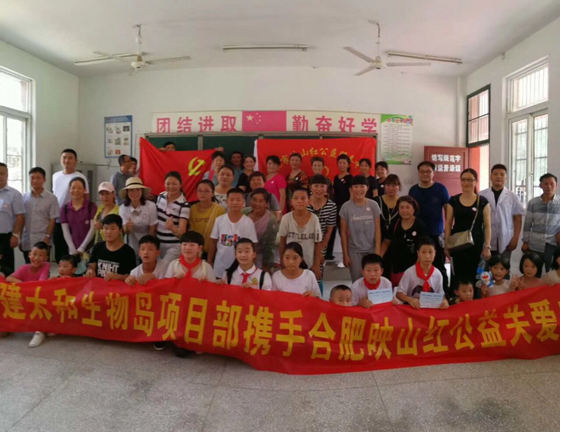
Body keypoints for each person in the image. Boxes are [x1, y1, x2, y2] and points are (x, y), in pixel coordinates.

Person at [445, 168, 491, 296]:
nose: (466, 183)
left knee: (475, 275)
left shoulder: (483, 201)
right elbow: (448, 224)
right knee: (457, 275)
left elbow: (488, 226)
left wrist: (487, 246)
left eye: (470, 180)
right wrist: (447, 244)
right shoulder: (453, 200)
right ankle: (457, 301)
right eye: (464, 180)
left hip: (476, 245)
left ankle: (474, 301)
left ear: (476, 182)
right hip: (457, 245)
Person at [408, 161, 451, 292]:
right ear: (418, 173)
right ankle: (419, 293)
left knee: (439, 265)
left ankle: (444, 294)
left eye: (428, 171)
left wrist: (447, 232)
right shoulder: (413, 190)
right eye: (422, 171)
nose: (425, 174)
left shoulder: (441, 189)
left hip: (436, 233)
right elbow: (409, 211)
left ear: (433, 173)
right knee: (417, 266)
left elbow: (448, 211)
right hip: (417, 234)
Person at [7, 242, 50, 347]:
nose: (37, 258)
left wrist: (25, 286)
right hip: (24, 299)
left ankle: (39, 332)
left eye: (41, 255)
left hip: (38, 300)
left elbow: (41, 283)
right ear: (29, 254)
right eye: (34, 254)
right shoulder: (24, 268)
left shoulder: (46, 265)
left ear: (46, 258)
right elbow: (9, 278)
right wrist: (24, 285)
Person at [479, 164, 525, 265]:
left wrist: (515, 239)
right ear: (490, 176)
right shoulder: (481, 195)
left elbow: (517, 219)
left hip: (506, 240)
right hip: (486, 241)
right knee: (485, 269)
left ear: (506, 178)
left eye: (502, 174)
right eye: (495, 174)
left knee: (503, 269)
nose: (498, 177)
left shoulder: (512, 196)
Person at [339, 175, 382, 282]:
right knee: (357, 280)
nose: (359, 190)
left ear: (367, 188)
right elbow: (343, 232)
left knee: (372, 279)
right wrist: (345, 254)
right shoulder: (345, 207)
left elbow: (378, 229)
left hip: (371, 249)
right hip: (354, 251)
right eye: (356, 186)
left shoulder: (373, 205)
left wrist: (377, 252)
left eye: (362, 186)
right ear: (351, 189)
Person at [208, 188, 258, 279]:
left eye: (238, 200)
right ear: (227, 201)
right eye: (231, 200)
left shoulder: (248, 222)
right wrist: (210, 261)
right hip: (220, 267)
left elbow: (253, 245)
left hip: (241, 268)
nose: (235, 203)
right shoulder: (219, 220)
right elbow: (213, 241)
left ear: (243, 202)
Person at [52, 149, 90, 262]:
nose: (67, 160)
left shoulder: (80, 177)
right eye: (64, 157)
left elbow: (86, 197)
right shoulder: (55, 176)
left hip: (74, 219)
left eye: (70, 158)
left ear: (76, 161)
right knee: (59, 249)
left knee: (73, 251)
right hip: (57, 218)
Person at [381, 196, 427, 286]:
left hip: (413, 267)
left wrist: (417, 268)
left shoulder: (420, 225)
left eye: (408, 207)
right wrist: (378, 259)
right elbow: (386, 242)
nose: (404, 210)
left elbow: (423, 248)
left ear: (414, 209)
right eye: (401, 207)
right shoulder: (395, 223)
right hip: (395, 268)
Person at [279, 188, 323, 279]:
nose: (299, 201)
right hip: (290, 263)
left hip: (309, 263)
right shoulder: (286, 218)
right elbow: (282, 241)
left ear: (309, 201)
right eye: (296, 198)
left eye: (303, 198)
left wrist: (316, 264)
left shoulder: (314, 219)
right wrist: (282, 260)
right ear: (291, 201)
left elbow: (318, 242)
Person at [396, 237, 449, 309]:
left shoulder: (438, 274)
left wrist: (445, 301)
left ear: (435, 253)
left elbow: (441, 295)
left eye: (430, 252)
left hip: (431, 310)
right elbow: (399, 294)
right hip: (413, 309)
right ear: (418, 253)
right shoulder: (409, 272)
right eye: (423, 252)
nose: (427, 256)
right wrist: (409, 299)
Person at [522, 173, 560, 273]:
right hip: (535, 244)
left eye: (552, 184)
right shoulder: (533, 203)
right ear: (540, 185)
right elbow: (527, 224)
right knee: (534, 272)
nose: (549, 186)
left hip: (553, 244)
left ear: (556, 185)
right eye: (546, 184)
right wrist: (525, 242)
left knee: (551, 273)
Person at [21, 167, 59, 264]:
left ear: (44, 180)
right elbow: (21, 218)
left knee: (43, 267)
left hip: (43, 240)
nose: (35, 181)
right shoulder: (24, 197)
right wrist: (20, 237)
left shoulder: (51, 198)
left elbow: (52, 219)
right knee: (28, 267)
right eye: (32, 178)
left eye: (38, 178)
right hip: (27, 240)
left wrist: (47, 237)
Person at [60, 177, 97, 273]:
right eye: (73, 187)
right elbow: (65, 231)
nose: (76, 190)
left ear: (84, 190)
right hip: (72, 250)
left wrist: (82, 247)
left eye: (79, 188)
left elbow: (93, 228)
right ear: (69, 189)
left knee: (88, 275)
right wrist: (72, 249)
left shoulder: (91, 206)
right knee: (73, 275)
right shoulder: (65, 208)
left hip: (89, 249)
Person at [307, 174, 337, 291]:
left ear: (327, 188)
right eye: (316, 186)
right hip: (304, 243)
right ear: (310, 187)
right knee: (303, 275)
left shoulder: (331, 206)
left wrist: (319, 252)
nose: (319, 189)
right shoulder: (304, 203)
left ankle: (318, 300)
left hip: (321, 244)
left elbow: (329, 231)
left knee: (317, 275)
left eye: (322, 186)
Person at [86, 214, 137, 280]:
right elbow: (91, 266)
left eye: (113, 228)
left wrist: (118, 277)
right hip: (98, 285)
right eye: (106, 228)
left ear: (120, 231)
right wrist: (90, 271)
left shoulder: (128, 251)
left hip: (118, 286)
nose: (108, 232)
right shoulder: (97, 247)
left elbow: (131, 276)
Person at [155, 171, 189, 266]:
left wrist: (172, 228)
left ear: (180, 185)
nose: (171, 186)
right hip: (158, 243)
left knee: (164, 268)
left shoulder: (184, 205)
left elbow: (182, 234)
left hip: (174, 246)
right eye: (168, 183)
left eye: (174, 184)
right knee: (157, 268)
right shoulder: (160, 196)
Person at [119, 177, 158, 255]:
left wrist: (145, 247)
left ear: (142, 191)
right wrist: (128, 228)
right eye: (131, 190)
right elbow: (125, 231)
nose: (135, 193)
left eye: (138, 189)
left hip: (148, 243)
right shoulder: (123, 208)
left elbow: (152, 229)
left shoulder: (151, 206)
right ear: (127, 192)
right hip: (131, 244)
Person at [242, 188, 278, 273]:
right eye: (254, 200)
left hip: (259, 256)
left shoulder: (271, 220)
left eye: (261, 201)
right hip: (240, 253)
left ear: (266, 203)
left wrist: (266, 266)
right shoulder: (243, 212)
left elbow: (269, 245)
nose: (256, 204)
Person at [189, 179, 226, 258]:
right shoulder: (192, 209)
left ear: (212, 193)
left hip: (214, 251)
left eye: (206, 191)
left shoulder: (219, 210)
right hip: (195, 251)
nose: (203, 194)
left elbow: (220, 234)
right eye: (200, 191)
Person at [327, 154, 353, 263]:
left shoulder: (350, 178)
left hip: (345, 207)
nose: (342, 165)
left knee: (344, 232)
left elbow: (352, 194)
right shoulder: (336, 177)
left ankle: (346, 256)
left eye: (344, 163)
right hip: (335, 207)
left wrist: (349, 207)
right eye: (340, 163)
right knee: (331, 230)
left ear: (348, 165)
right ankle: (328, 254)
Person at [0, 164, 23, 274]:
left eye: (2, 173)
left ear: (7, 175)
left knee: (7, 268)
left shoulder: (14, 194)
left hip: (5, 237)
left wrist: (15, 235)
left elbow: (20, 216)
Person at [373, 174, 401, 242]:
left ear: (399, 187)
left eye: (393, 186)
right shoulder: (377, 201)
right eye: (388, 185)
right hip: (379, 237)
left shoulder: (402, 202)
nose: (390, 188)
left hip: (397, 239)